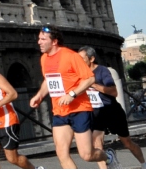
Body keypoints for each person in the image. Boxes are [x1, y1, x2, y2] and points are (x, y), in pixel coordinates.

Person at [28, 26, 108, 169]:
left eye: (43, 39)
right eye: (39, 39)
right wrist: (39, 95)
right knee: (62, 154)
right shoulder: (44, 59)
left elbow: (89, 79)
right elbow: (48, 80)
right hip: (59, 111)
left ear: (54, 42)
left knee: (86, 155)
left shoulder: (71, 56)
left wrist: (72, 94)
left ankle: (108, 156)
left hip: (80, 109)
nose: (39, 42)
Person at [78, 46, 146, 170]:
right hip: (96, 112)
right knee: (97, 143)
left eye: (82, 59)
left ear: (92, 58)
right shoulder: (80, 73)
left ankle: (144, 164)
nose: (79, 62)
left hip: (111, 110)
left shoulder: (102, 71)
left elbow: (114, 92)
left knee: (127, 142)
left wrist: (93, 84)